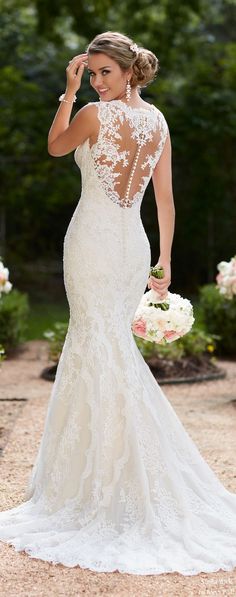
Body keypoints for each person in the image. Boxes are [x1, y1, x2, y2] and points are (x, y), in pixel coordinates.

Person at [0, 30, 236, 576]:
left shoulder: (91, 115)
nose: (99, 81)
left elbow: (55, 146)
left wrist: (68, 90)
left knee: (96, 347)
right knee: (106, 350)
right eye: (94, 71)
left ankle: (101, 481)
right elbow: (165, 200)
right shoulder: (158, 122)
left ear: (130, 72)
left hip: (95, 241)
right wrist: (166, 260)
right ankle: (117, 469)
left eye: (106, 72)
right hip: (134, 245)